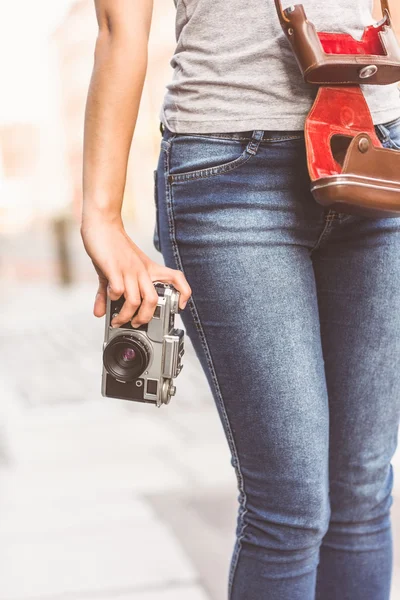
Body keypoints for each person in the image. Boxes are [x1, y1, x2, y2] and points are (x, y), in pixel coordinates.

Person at [81, 1, 400, 598]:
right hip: (227, 168)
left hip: (376, 147)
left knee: (362, 486)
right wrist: (100, 216)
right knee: (291, 503)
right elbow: (118, 23)